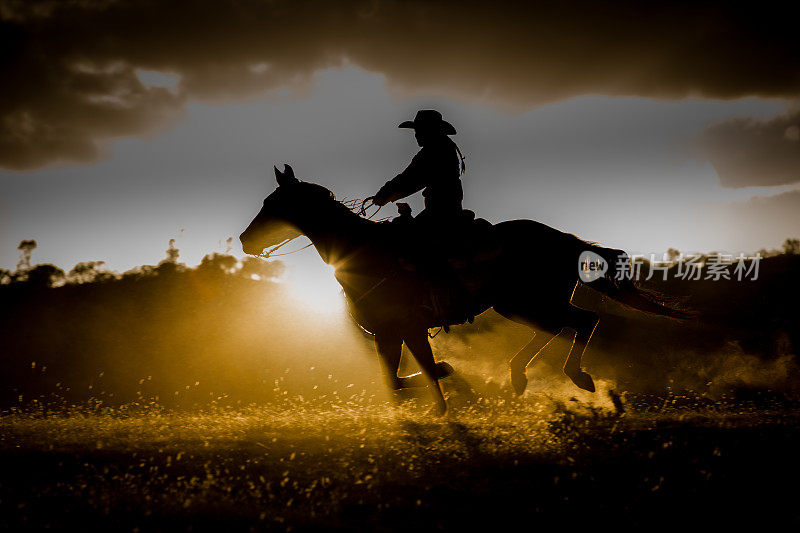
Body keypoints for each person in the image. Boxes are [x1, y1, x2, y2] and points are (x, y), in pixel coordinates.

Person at [372, 110, 472, 327]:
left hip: (441, 210)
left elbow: (412, 177)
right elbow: (414, 178)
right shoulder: (441, 147)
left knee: (412, 243)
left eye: (419, 131)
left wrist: (385, 194)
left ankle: (433, 299)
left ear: (429, 131)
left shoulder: (433, 150)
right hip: (445, 207)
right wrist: (389, 193)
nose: (416, 135)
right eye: (416, 131)